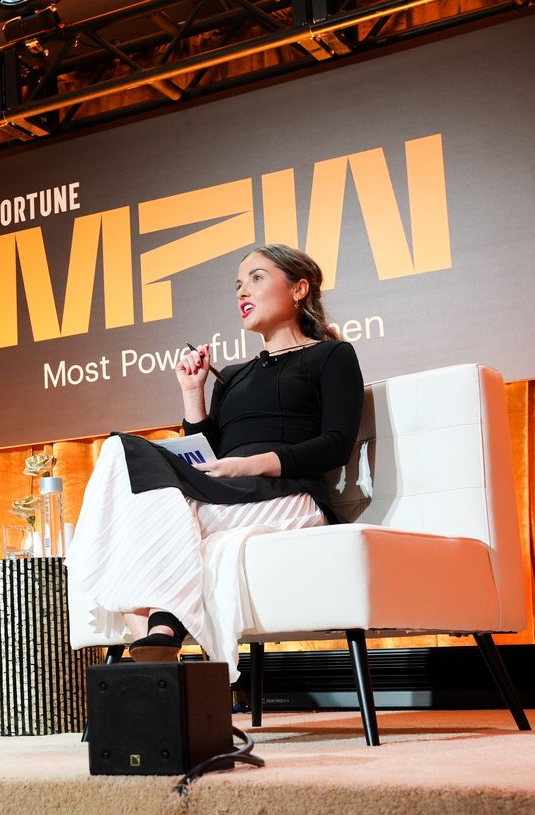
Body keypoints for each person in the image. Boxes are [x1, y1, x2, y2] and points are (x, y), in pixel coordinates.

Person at [66, 244, 364, 682]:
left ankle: (162, 633)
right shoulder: (235, 375)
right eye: (239, 284)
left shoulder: (331, 356)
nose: (243, 290)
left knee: (160, 531)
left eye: (257, 278)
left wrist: (252, 465)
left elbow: (337, 444)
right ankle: (160, 650)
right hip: (227, 490)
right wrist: (193, 393)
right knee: (121, 450)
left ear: (300, 289)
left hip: (289, 492)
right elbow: (208, 454)